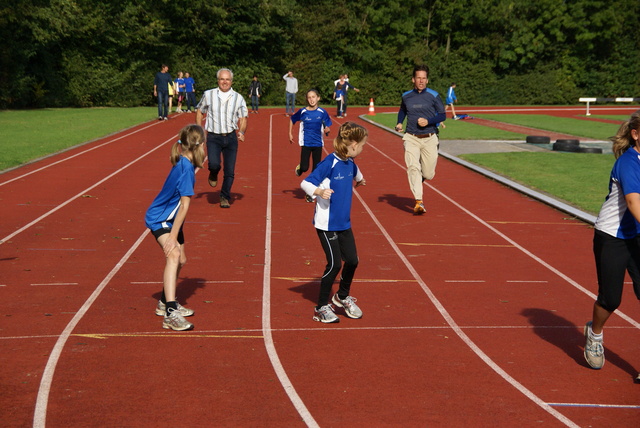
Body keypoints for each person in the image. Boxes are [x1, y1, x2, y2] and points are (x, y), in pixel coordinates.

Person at [584, 110, 640, 370]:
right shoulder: (629, 163)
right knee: (611, 299)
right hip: (613, 236)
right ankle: (595, 334)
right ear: (636, 134)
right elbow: (633, 202)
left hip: (637, 236)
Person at [301, 122, 367, 323]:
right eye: (363, 144)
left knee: (353, 260)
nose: (364, 148)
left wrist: (361, 180)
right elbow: (305, 183)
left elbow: (356, 174)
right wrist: (319, 192)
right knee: (334, 264)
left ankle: (342, 296)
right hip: (326, 224)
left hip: (344, 223)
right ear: (353, 144)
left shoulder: (350, 162)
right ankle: (320, 307)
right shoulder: (330, 162)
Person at [145, 124, 206, 331]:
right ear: (199, 146)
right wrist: (172, 237)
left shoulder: (184, 162)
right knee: (173, 255)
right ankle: (170, 313)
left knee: (181, 259)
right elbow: (185, 206)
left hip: (171, 218)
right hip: (160, 218)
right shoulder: (186, 169)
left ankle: (164, 302)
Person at [395, 64, 446, 215]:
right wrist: (399, 122)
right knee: (413, 167)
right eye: (418, 78)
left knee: (428, 174)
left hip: (430, 137)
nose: (421, 81)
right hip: (411, 137)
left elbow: (442, 115)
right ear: (413, 79)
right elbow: (403, 110)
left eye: (424, 78)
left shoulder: (434, 96)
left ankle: (420, 179)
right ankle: (419, 201)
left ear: (427, 80)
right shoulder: (406, 96)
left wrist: (428, 121)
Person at [196, 68, 248, 208]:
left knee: (229, 171)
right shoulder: (209, 95)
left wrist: (241, 131)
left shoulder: (238, 98)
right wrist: (200, 132)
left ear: (231, 81)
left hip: (230, 137)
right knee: (214, 164)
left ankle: (224, 196)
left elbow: (243, 117)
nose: (225, 82)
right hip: (213, 136)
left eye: (227, 79)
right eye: (222, 79)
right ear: (218, 80)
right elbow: (200, 111)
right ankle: (213, 173)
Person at [289, 89, 332, 202]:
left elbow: (327, 127)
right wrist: (290, 133)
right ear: (307, 99)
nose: (311, 99)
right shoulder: (303, 112)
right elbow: (292, 119)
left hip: (318, 144)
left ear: (318, 98)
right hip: (306, 143)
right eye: (309, 97)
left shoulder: (322, 112)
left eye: (313, 97)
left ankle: (310, 194)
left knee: (315, 170)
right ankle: (300, 167)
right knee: (305, 167)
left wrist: (327, 129)